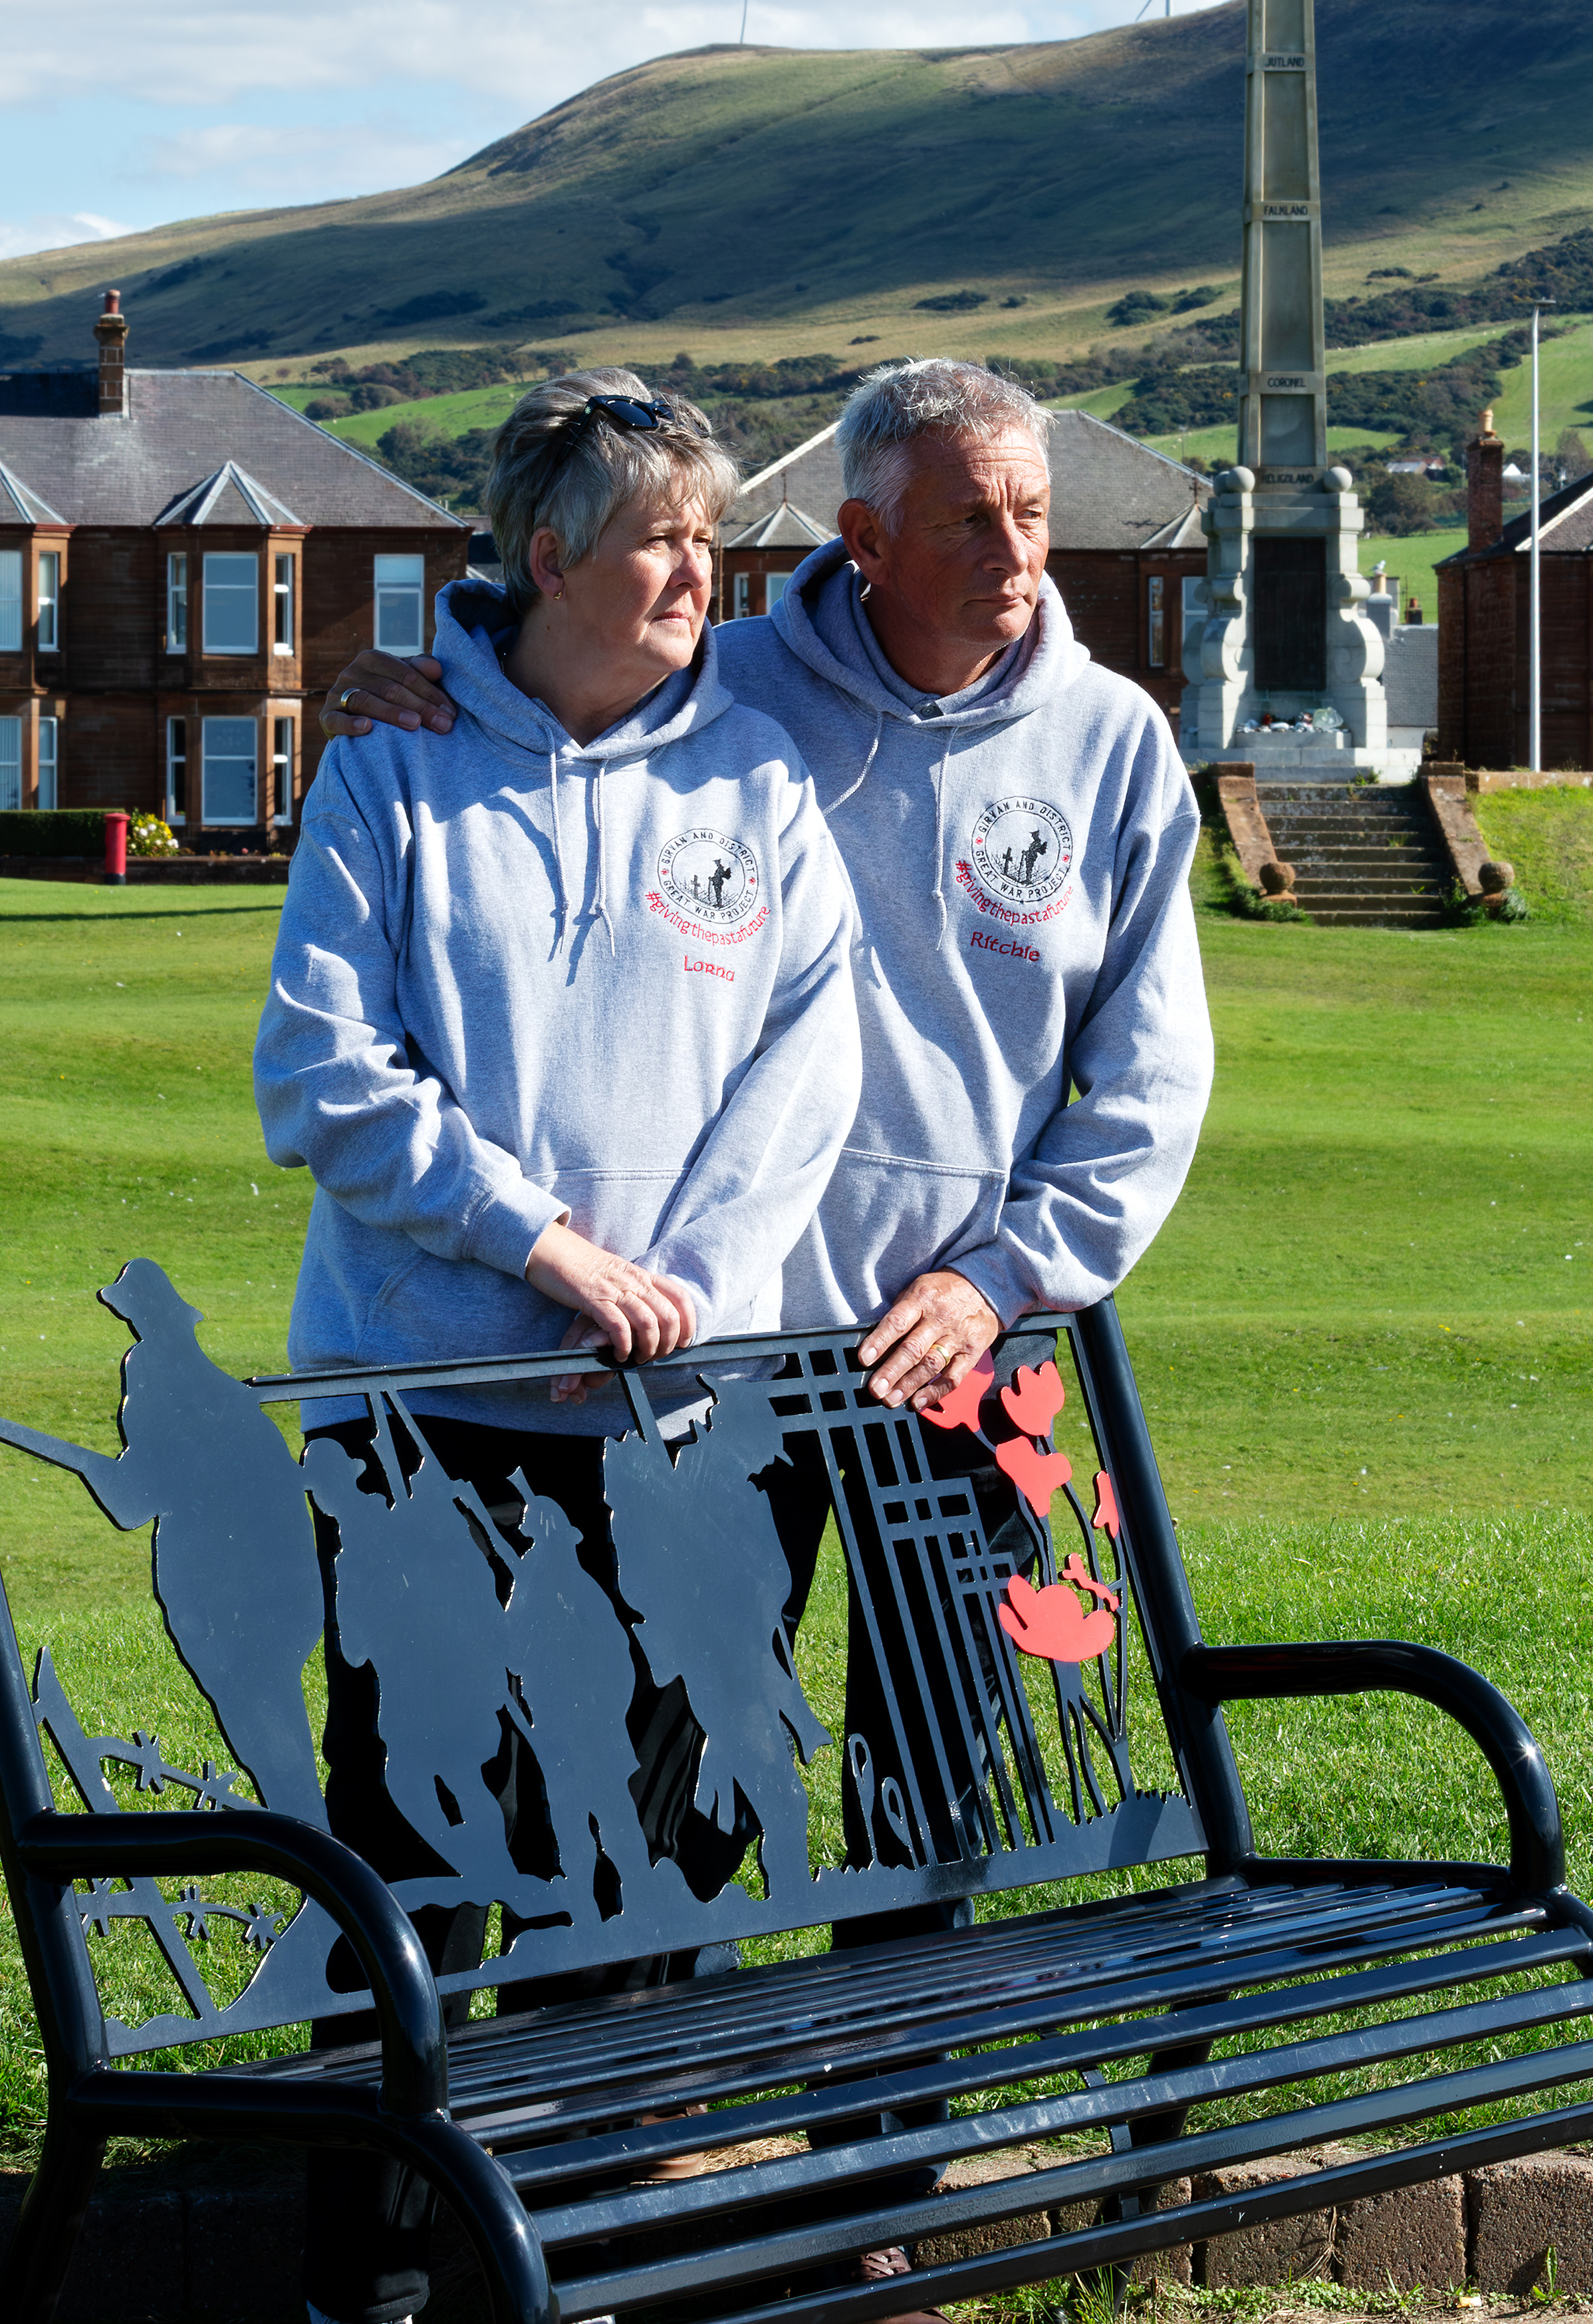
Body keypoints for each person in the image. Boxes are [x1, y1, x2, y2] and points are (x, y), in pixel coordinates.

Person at [320, 356, 1212, 2317]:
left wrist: (997, 1278)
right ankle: (573, 2209)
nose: (1020, 552)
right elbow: (538, 648)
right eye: (974, 516)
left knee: (927, 1794)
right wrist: (403, 675)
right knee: (677, 1800)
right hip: (715, 1372)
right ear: (865, 535)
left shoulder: (1116, 743)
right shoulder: (740, 690)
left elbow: (1147, 1094)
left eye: (1037, 512)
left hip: (966, 1355)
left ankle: (866, 2196)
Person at [257, 370, 862, 2324]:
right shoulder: (392, 768)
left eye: (711, 535)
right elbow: (325, 1076)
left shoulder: (755, 778)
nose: (702, 570)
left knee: (655, 1865)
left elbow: (813, 1051)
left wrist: (676, 1279)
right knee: (419, 1844)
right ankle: (380, 2269)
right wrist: (550, 1250)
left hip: (688, 1419)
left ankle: (579, 2259)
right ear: (544, 558)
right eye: (661, 539)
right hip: (425, 1410)